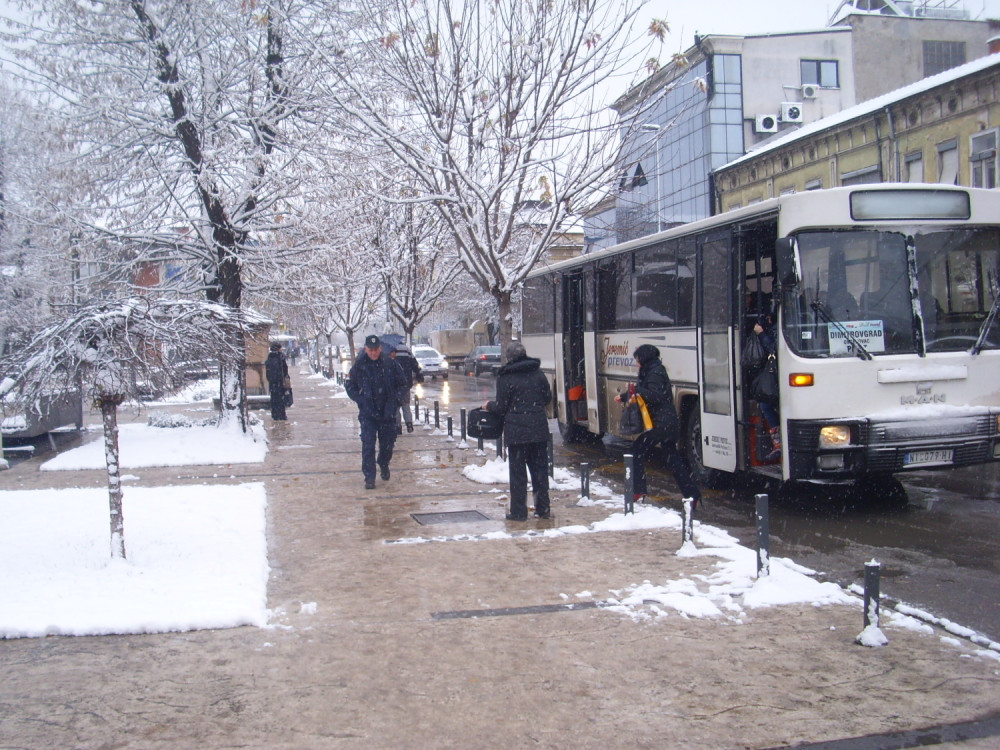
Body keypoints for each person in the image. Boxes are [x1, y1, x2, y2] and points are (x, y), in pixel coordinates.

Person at [615, 344, 701, 508]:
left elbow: (654, 395)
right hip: (666, 423)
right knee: (673, 460)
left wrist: (635, 390)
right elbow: (646, 391)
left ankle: (638, 490)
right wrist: (624, 396)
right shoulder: (653, 370)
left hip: (661, 424)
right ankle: (692, 495)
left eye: (637, 359)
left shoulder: (655, 372)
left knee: (636, 451)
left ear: (644, 358)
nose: (635, 363)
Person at [484, 341, 552, 521]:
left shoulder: (506, 377)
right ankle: (543, 508)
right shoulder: (538, 374)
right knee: (540, 472)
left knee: (518, 475)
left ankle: (519, 512)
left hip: (516, 434)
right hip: (538, 431)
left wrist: (488, 405)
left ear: (509, 358)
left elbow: (501, 407)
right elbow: (547, 397)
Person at [345, 334, 408, 489]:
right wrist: (360, 399)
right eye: (370, 350)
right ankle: (369, 477)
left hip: (387, 413)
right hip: (368, 413)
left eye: (376, 349)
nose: (373, 353)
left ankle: (383, 463)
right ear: (366, 349)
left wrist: (395, 400)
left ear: (380, 349)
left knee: (387, 445)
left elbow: (403, 384)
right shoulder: (359, 366)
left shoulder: (390, 364)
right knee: (368, 445)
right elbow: (350, 385)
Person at [748, 310, 781, 462]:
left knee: (766, 404)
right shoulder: (780, 324)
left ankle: (778, 443)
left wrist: (761, 333)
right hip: (778, 374)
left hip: (777, 374)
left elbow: (773, 348)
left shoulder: (777, 327)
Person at [390, 344, 422, 433]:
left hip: (394, 385)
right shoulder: (406, 349)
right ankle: (409, 424)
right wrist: (418, 373)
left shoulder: (390, 350)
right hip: (406, 383)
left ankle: (398, 426)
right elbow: (414, 363)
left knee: (396, 407)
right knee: (406, 405)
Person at [264, 342, 289, 421]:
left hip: (272, 382)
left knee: (274, 398)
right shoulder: (279, 357)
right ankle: (281, 415)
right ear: (277, 349)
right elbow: (284, 369)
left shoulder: (270, 357)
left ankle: (275, 414)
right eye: (280, 348)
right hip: (279, 381)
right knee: (280, 398)